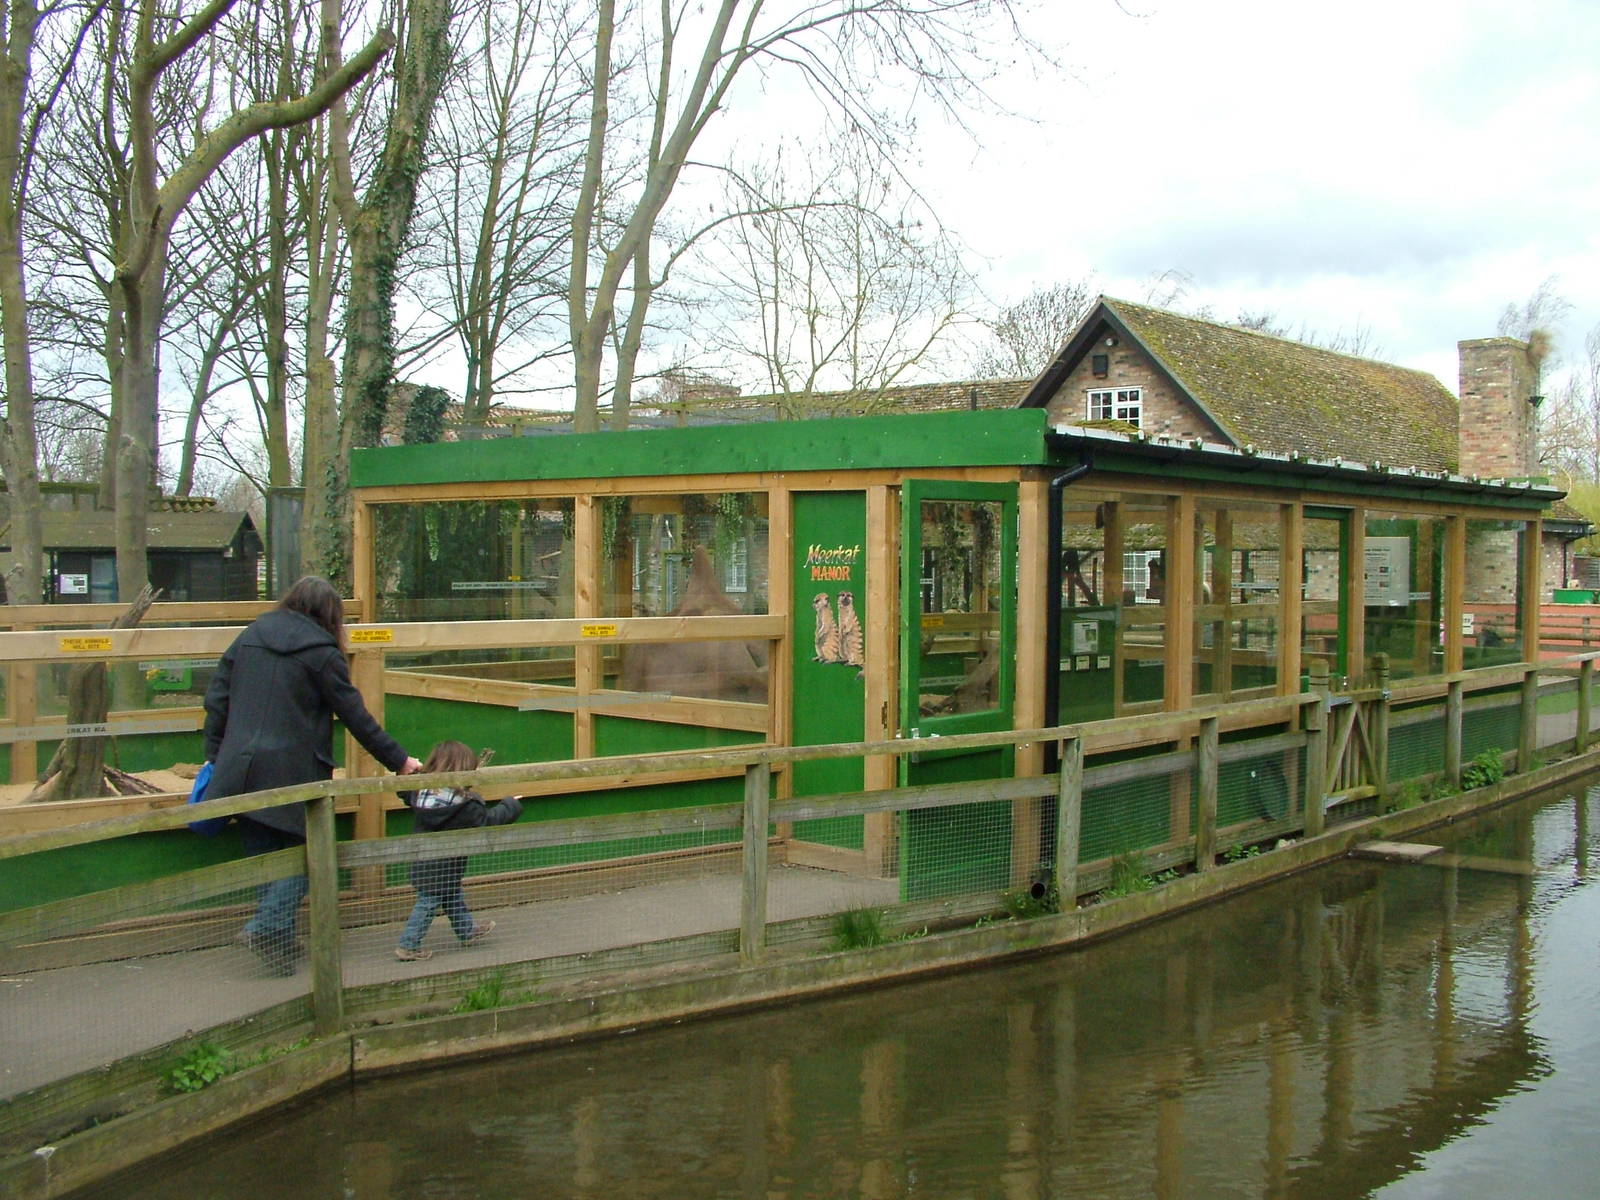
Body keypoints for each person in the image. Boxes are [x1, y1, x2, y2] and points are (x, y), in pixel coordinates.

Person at [203, 575, 421, 975]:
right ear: (330, 615)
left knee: (266, 860)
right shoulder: (322, 653)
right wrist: (400, 761)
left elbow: (217, 698)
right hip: (293, 771)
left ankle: (278, 948)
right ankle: (264, 927)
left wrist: (216, 757)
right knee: (310, 860)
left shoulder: (250, 636)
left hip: (240, 770)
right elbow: (356, 716)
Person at [395, 741, 522, 962]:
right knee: (428, 903)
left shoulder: (420, 793)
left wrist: (411, 772)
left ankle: (467, 930)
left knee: (451, 895)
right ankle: (408, 945)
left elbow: (403, 790)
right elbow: (488, 821)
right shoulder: (464, 806)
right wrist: (510, 805)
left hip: (424, 862)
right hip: (445, 865)